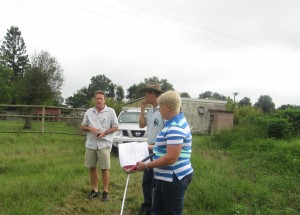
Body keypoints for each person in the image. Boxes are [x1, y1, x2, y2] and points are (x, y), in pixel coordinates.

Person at [136, 90, 193, 215]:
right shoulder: (173, 122)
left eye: (161, 106)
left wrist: (146, 165)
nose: (159, 109)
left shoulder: (175, 127)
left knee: (170, 212)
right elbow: (167, 146)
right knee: (158, 210)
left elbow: (171, 158)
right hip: (165, 176)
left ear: (168, 107)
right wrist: (149, 147)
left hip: (174, 177)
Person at [81, 90, 119, 201]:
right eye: (97, 98)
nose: (99, 100)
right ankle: (95, 190)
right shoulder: (89, 112)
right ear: (94, 99)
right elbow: (82, 126)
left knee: (105, 168)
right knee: (92, 167)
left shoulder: (111, 111)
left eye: (101, 98)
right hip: (91, 144)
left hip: (104, 144)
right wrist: (90, 128)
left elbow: (116, 127)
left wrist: (105, 132)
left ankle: (105, 192)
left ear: (104, 100)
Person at [138, 82, 165, 215]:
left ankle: (154, 208)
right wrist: (142, 110)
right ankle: (147, 204)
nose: (144, 96)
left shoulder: (163, 111)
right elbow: (141, 125)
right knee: (146, 180)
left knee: (155, 181)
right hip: (148, 149)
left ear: (153, 94)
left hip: (158, 149)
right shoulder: (151, 111)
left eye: (146, 93)